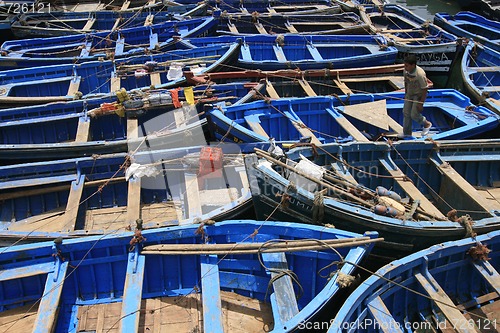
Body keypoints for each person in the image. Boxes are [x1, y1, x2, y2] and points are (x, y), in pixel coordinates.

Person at [401, 55, 432, 137]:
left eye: (407, 66)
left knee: (414, 114)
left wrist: (421, 103)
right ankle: (407, 133)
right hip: (409, 94)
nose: (405, 67)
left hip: (418, 95)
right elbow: (406, 82)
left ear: (413, 65)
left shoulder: (420, 74)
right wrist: (406, 94)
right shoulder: (405, 71)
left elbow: (425, 89)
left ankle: (426, 124)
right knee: (406, 113)